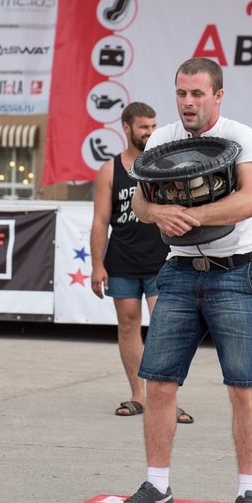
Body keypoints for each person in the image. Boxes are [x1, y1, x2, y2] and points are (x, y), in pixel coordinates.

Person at [110, 58, 252, 503]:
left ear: (218, 96)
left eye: (198, 94)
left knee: (243, 389)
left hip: (234, 273)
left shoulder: (241, 136)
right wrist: (158, 214)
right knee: (159, 385)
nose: (188, 102)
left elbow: (251, 200)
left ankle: (248, 494)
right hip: (178, 273)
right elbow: (142, 201)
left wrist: (190, 216)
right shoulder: (161, 139)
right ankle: (157, 489)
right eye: (181, 93)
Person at [90, 101, 193, 424]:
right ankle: (139, 396)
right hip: (122, 261)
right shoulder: (110, 170)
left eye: (153, 126)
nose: (150, 132)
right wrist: (97, 265)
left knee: (165, 329)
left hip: (161, 260)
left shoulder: (164, 165)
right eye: (143, 127)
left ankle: (165, 399)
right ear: (127, 128)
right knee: (128, 324)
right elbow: (99, 221)